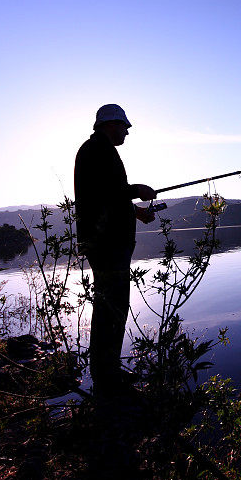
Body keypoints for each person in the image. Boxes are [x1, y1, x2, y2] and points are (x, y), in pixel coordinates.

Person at [74, 104, 156, 397]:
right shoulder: (96, 149)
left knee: (111, 305)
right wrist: (137, 190)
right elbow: (105, 193)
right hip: (107, 243)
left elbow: (106, 196)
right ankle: (107, 377)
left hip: (107, 241)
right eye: (125, 126)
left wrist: (135, 211)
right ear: (110, 124)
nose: (127, 132)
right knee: (112, 306)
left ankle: (107, 371)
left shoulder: (98, 150)